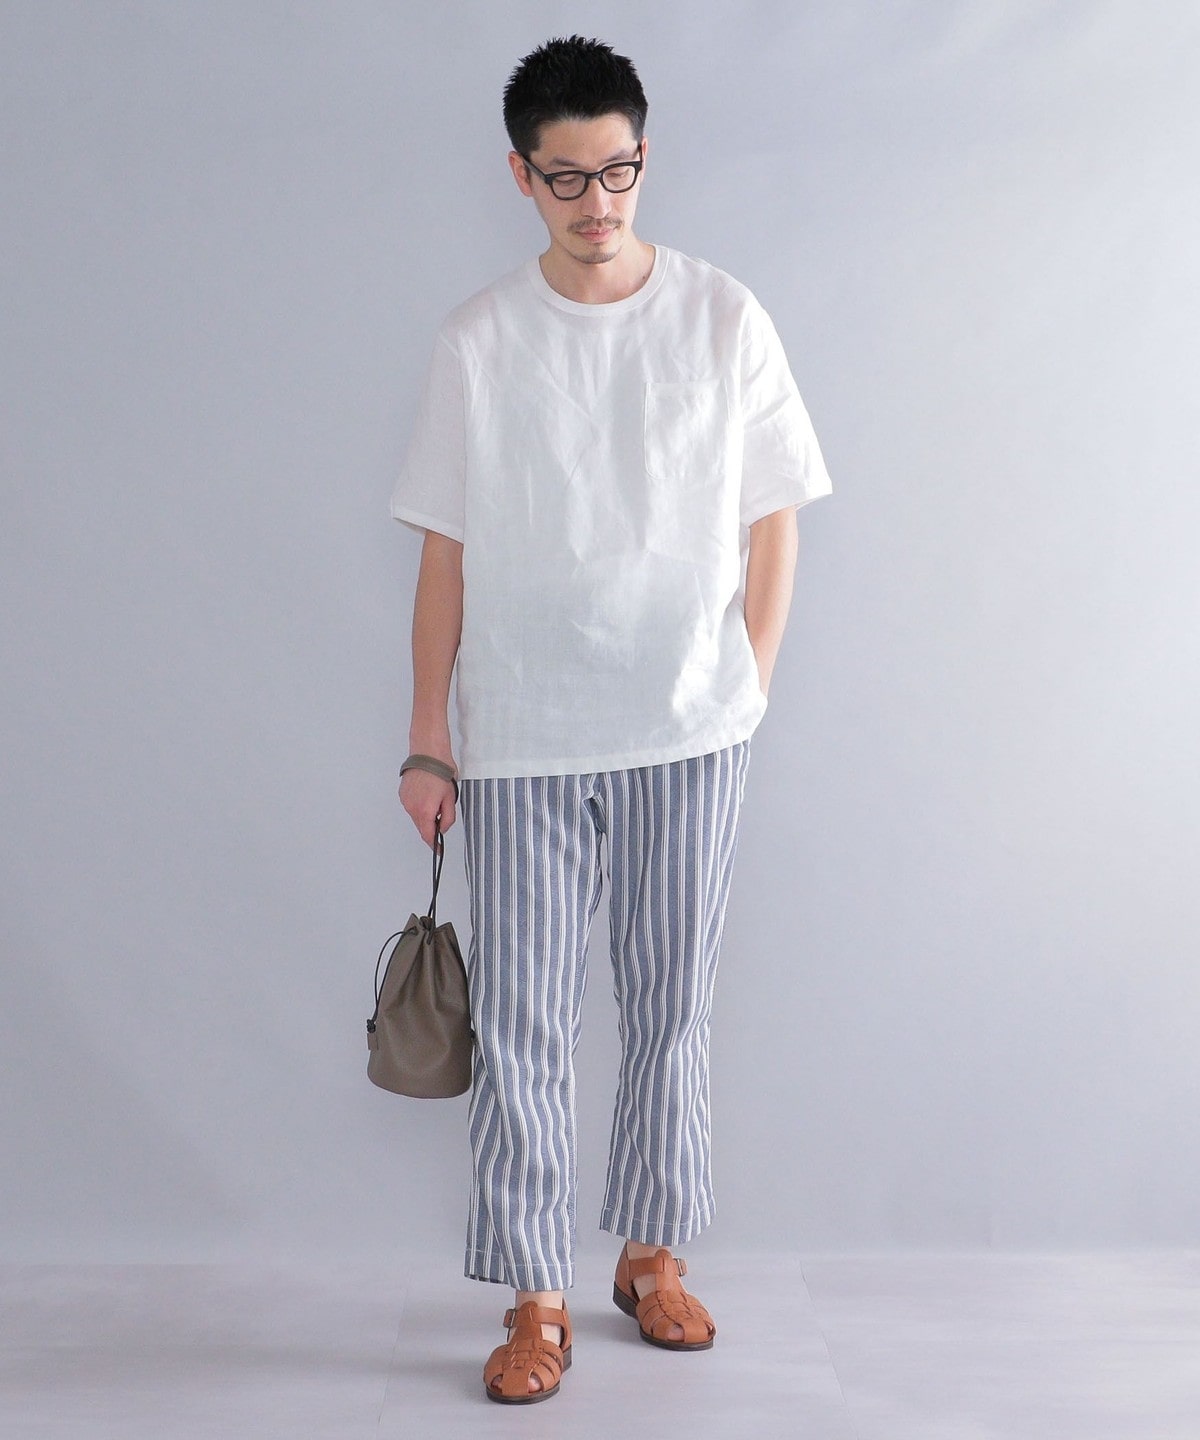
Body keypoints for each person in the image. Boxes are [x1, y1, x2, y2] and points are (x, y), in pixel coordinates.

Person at [392, 35, 831, 1404]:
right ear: (520, 177)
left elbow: (776, 516)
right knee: (524, 1019)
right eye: (569, 177)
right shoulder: (479, 340)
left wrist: (747, 686)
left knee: (671, 1004)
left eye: (620, 171)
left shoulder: (723, 316)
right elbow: (446, 551)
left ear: (645, 159)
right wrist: (427, 735)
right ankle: (537, 1296)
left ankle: (652, 1256)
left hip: (690, 726)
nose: (599, 203)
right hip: (522, 725)